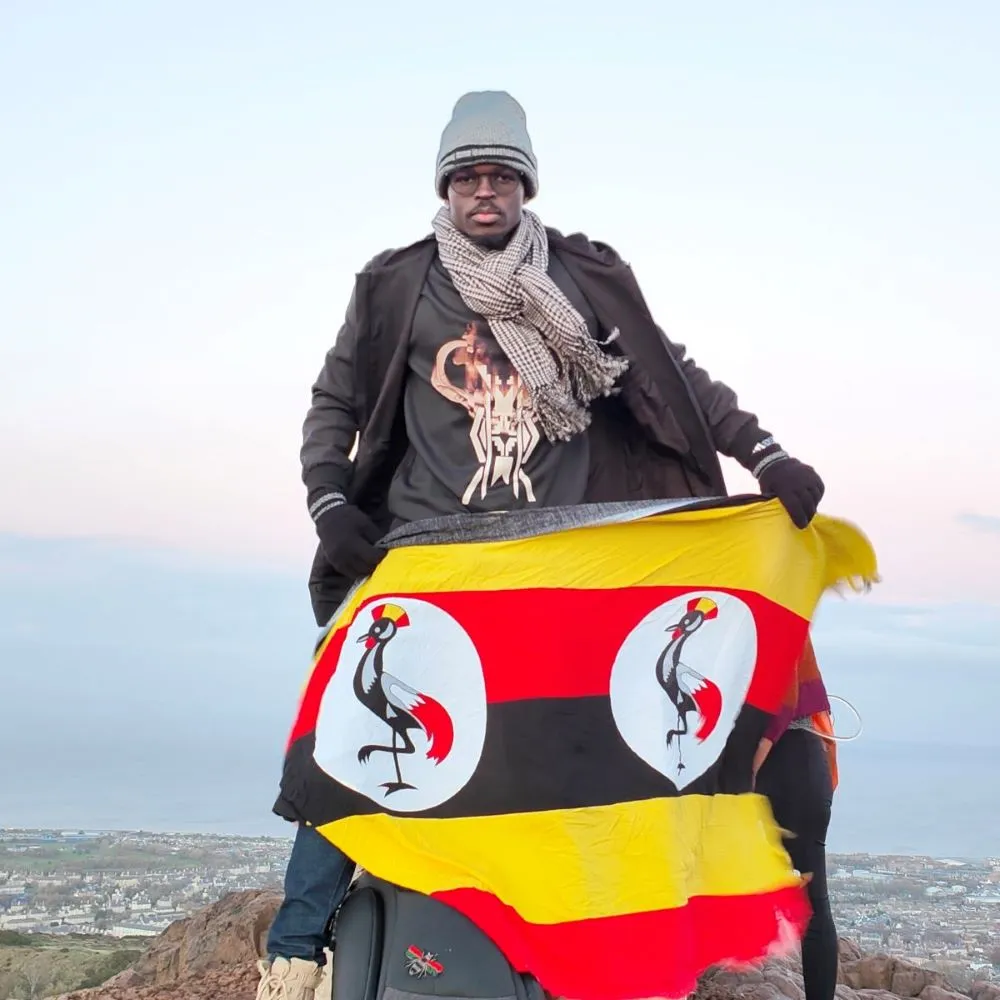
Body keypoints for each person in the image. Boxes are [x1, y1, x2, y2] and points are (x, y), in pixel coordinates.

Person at [256, 89, 826, 1000]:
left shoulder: (582, 280)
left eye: (502, 175)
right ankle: (297, 947)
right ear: (446, 187)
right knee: (358, 731)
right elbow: (333, 407)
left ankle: (596, 947)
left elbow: (673, 377)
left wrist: (762, 450)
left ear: (525, 184)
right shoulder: (399, 283)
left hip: (552, 559)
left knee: (572, 743)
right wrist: (329, 503)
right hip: (430, 555)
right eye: (468, 175)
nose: (485, 190)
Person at [753, 636, 839, 1000]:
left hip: (786, 760)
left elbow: (782, 690)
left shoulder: (769, 603)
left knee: (812, 905)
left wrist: (749, 767)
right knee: (813, 904)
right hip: (799, 762)